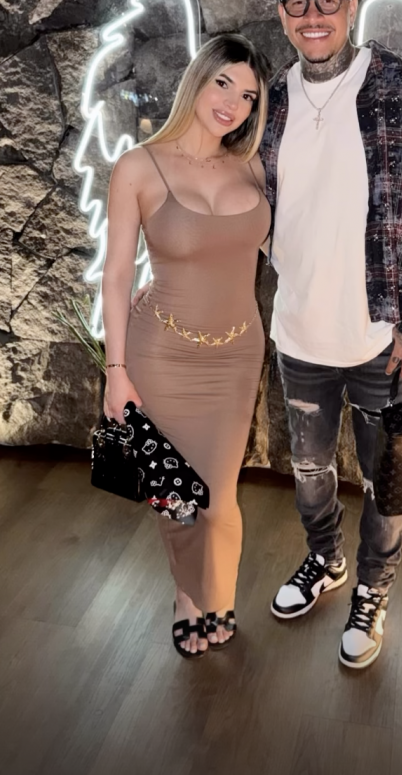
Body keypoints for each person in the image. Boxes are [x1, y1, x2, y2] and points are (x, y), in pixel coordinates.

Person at [258, 0, 402, 670]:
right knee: (309, 471)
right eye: (298, 1)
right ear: (282, 12)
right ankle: (325, 560)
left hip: (384, 340)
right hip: (298, 334)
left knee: (387, 482)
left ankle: (372, 591)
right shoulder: (268, 104)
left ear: (351, 6)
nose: (312, 14)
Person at [102, 34, 270, 658]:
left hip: (235, 354)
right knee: (176, 495)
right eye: (223, 82)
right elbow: (117, 274)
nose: (232, 103)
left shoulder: (252, 165)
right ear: (198, 78)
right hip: (162, 354)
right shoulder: (139, 166)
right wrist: (116, 369)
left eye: (248, 95)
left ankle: (216, 595)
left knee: (218, 498)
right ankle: (188, 596)